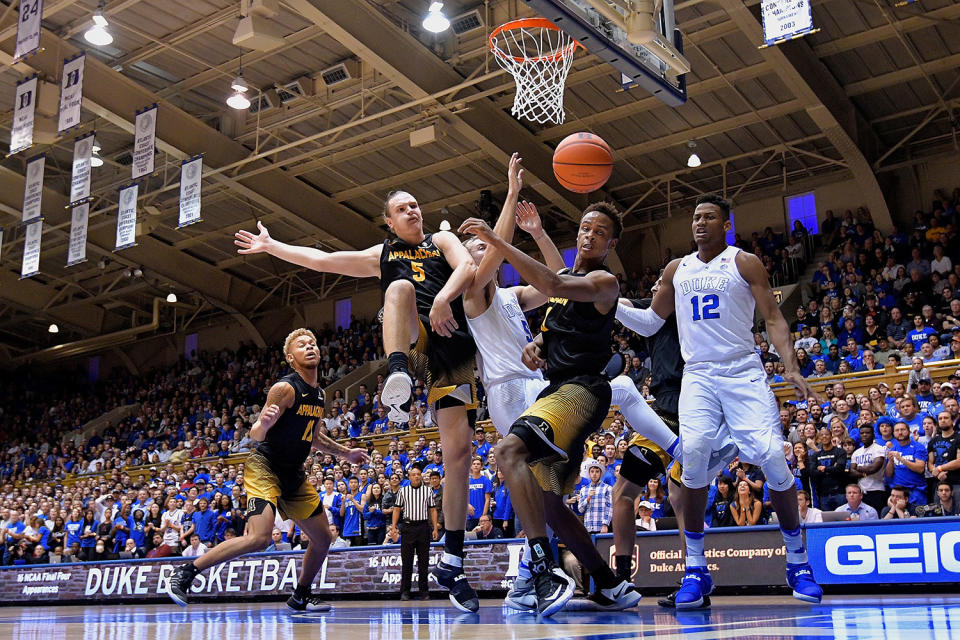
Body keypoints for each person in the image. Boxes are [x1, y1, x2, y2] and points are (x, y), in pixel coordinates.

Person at [236, 188, 480, 614]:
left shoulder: (441, 241)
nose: (413, 210)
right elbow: (322, 260)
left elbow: (469, 267)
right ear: (389, 222)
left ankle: (453, 561)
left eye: (415, 204)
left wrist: (443, 297)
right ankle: (398, 371)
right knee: (399, 288)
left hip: (453, 348)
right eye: (402, 209)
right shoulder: (382, 255)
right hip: (415, 340)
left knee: (458, 456)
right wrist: (273, 246)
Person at [612, 194, 822, 608]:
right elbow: (651, 320)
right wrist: (608, 305)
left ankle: (797, 562)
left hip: (742, 369)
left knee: (772, 456)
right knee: (692, 455)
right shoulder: (677, 268)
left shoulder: (744, 262)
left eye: (709, 217)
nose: (700, 223)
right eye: (695, 217)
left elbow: (775, 318)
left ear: (726, 224)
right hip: (699, 375)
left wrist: (791, 366)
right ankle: (695, 569)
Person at [460, 201, 641, 616]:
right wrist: (537, 344)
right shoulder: (490, 289)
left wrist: (502, 238)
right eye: (584, 227)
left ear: (611, 243)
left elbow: (553, 283)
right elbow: (554, 306)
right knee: (550, 505)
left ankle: (540, 570)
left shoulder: (603, 280)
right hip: (542, 391)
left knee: (508, 453)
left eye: (599, 231)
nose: (589, 234)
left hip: (577, 391)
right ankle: (608, 584)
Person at [167, 329, 369, 612]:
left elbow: (313, 437)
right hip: (264, 467)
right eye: (302, 345)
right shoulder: (285, 388)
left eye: (313, 344)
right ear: (291, 357)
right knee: (260, 538)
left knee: (323, 538)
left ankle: (301, 595)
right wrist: (262, 423)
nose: (310, 347)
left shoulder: (319, 395)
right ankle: (186, 573)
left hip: (292, 474)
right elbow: (257, 434)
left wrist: (346, 452)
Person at [391, 466, 437, 601]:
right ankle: (405, 591)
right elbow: (397, 509)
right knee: (407, 561)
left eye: (418, 474)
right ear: (409, 477)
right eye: (413, 474)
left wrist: (434, 528)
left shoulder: (428, 491)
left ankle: (424, 591)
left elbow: (433, 510)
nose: (416, 476)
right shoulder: (403, 491)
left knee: (424, 561)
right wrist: (393, 526)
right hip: (408, 527)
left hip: (423, 526)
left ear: (421, 476)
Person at [885, 421, 928, 505]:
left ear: (909, 431)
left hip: (916, 490)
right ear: (893, 433)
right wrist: (890, 461)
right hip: (899, 492)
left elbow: (920, 468)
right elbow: (889, 474)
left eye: (903, 430)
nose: (900, 432)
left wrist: (901, 459)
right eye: (897, 430)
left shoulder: (918, 447)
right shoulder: (893, 449)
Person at [577, 460, 613, 534]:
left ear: (600, 473)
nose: (594, 474)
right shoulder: (584, 490)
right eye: (592, 471)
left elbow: (609, 508)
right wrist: (588, 498)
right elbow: (580, 509)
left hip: (601, 527)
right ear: (589, 473)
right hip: (588, 527)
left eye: (597, 471)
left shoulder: (607, 488)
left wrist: (605, 525)